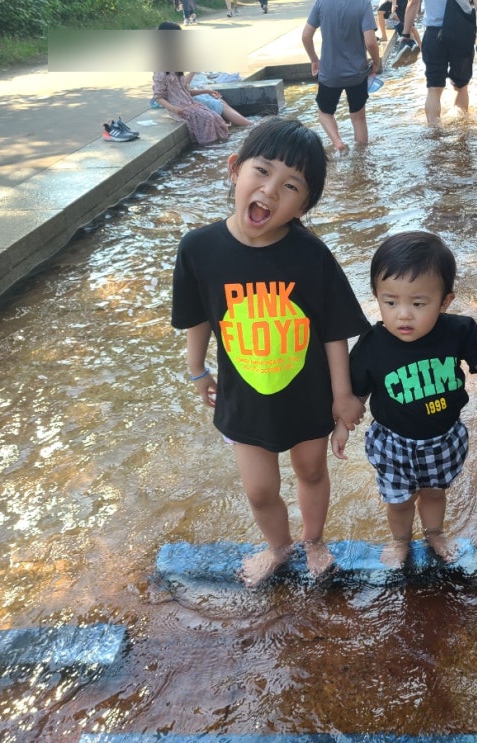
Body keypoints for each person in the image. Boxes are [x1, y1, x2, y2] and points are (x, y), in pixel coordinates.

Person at [171, 117, 370, 586]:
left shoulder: (310, 255)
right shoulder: (199, 249)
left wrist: (342, 396)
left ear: (304, 206)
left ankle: (314, 539)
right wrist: (197, 370)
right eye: (261, 171)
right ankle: (278, 548)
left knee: (311, 469)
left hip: (307, 394)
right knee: (259, 490)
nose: (270, 190)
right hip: (245, 396)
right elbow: (198, 316)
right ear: (234, 169)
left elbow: (333, 332)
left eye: (291, 185)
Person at [332, 231, 477, 567]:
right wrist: (342, 426)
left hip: (443, 439)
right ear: (377, 297)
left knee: (435, 492)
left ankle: (435, 534)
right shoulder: (372, 345)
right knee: (398, 501)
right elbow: (356, 393)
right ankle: (400, 542)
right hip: (393, 442)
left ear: (445, 301)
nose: (403, 314)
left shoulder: (457, 330)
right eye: (390, 301)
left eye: (418, 303)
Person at [401, 0, 477, 125]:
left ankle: (434, 131)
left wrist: (406, 33)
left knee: (434, 88)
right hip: (461, 32)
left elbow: (413, 3)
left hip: (434, 33)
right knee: (461, 86)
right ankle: (461, 131)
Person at [302, 0, 381, 151]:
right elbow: (371, 42)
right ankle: (361, 159)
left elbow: (306, 36)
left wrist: (314, 60)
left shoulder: (321, 3)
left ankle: (337, 142)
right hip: (357, 74)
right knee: (358, 118)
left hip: (330, 74)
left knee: (325, 112)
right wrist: (376, 63)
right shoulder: (363, 4)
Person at [153, 23, 236, 145]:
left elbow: (184, 90)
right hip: (179, 109)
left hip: (189, 104)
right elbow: (158, 96)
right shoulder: (161, 69)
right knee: (207, 118)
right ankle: (209, 147)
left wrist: (207, 91)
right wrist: (175, 109)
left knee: (214, 116)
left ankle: (220, 146)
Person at [181, 72, 252, 127]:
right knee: (219, 104)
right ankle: (249, 125)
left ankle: (240, 124)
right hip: (183, 100)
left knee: (219, 101)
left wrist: (206, 91)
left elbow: (184, 89)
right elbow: (182, 88)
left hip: (187, 96)